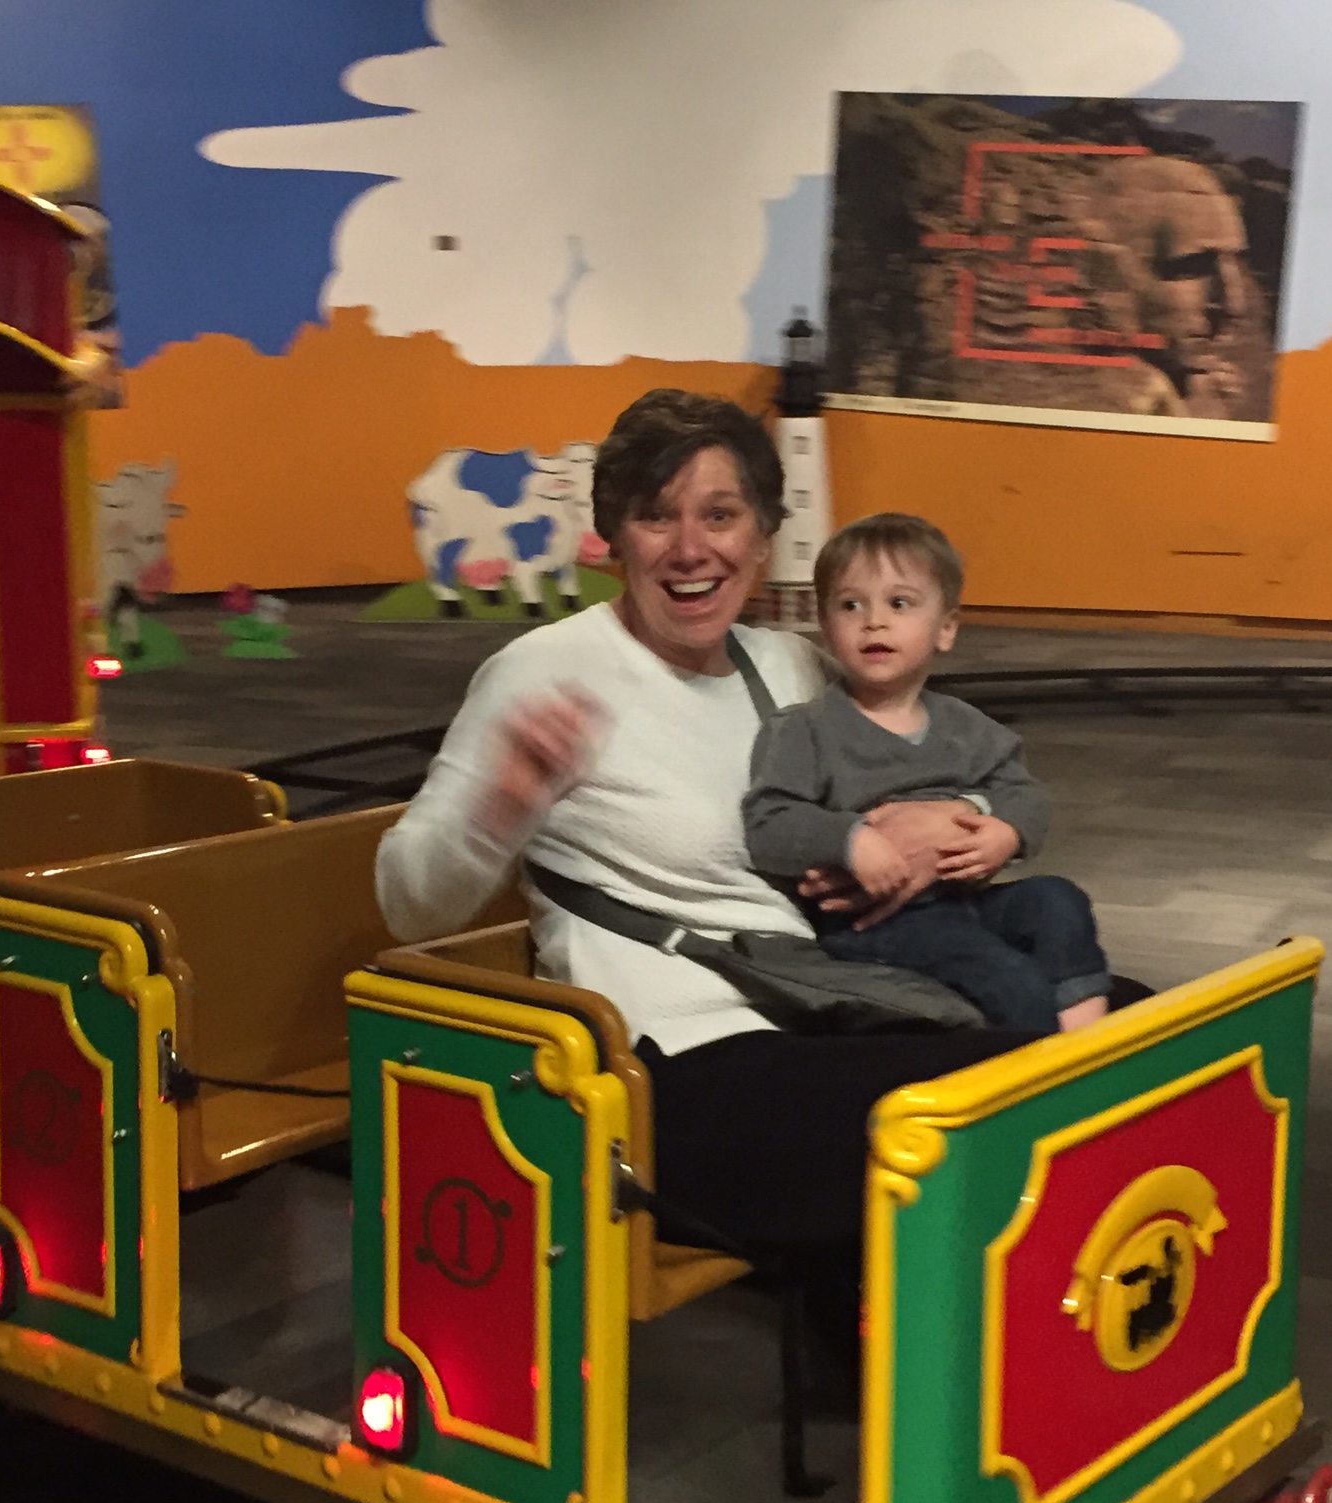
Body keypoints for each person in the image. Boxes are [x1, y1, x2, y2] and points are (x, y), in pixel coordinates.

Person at [375, 389, 1051, 1262]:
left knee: (1116, 1026)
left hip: (831, 1001)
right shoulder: (540, 674)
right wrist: (497, 809)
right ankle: (936, 1366)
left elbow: (937, 765)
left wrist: (964, 818)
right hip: (671, 1067)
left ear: (763, 537)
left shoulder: (789, 663)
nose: (691, 549)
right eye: (656, 516)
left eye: (720, 515)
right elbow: (406, 903)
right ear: (613, 537)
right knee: (994, 1097)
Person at [742, 513, 1111, 1033]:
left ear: (945, 629)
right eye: (851, 605)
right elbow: (768, 820)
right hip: (874, 922)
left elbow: (1023, 793)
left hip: (964, 899)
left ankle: (1088, 1032)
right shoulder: (806, 728)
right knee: (1005, 976)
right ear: (827, 627)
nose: (874, 621)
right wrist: (850, 839)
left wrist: (1005, 831)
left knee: (1057, 900)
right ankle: (1045, 1077)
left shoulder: (966, 726)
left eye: (899, 603)